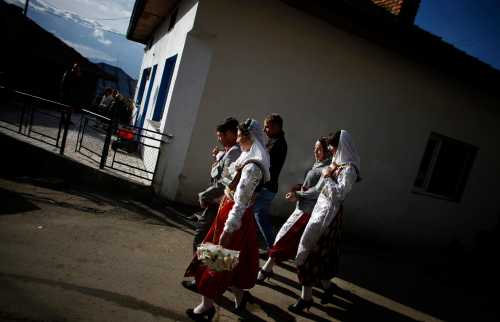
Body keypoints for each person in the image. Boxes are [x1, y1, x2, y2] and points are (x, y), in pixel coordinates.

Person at [184, 119, 270, 321]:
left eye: (240, 136)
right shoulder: (249, 157)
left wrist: (229, 229)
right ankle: (239, 296)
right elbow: (230, 180)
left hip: (234, 219)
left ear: (248, 137)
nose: (238, 140)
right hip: (228, 213)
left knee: (217, 263)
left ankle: (206, 307)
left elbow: (241, 202)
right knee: (228, 263)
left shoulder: (252, 167)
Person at [289, 130, 360, 313]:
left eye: (332, 145)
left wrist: (328, 176)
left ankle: (306, 298)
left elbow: (340, 195)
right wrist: (302, 192)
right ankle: (327, 289)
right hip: (320, 210)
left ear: (341, 146)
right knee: (316, 255)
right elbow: (320, 188)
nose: (330, 148)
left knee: (309, 253)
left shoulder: (349, 169)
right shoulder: (336, 164)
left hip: (329, 216)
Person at [256, 137, 331, 282]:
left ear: (328, 151)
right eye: (315, 148)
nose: (315, 151)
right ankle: (324, 286)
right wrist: (299, 189)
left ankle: (266, 271)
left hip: (307, 213)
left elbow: (317, 191)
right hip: (301, 209)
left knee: (286, 240)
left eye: (319, 149)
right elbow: (310, 187)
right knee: (292, 244)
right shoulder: (318, 165)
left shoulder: (326, 168)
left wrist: (299, 194)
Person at [181, 117, 241, 291]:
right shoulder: (230, 151)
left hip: (220, 204)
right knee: (216, 244)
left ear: (231, 133)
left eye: (221, 135)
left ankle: (205, 280)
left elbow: (225, 182)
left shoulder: (234, 152)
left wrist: (204, 195)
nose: (219, 139)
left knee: (203, 240)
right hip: (224, 204)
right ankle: (218, 281)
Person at [253, 113, 287, 252]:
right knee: (261, 218)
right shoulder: (273, 141)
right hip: (267, 187)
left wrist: (257, 189)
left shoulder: (279, 144)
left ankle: (270, 250)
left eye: (267, 127)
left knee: (249, 215)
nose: (265, 129)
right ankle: (272, 249)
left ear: (276, 127)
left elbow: (268, 169)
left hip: (266, 187)